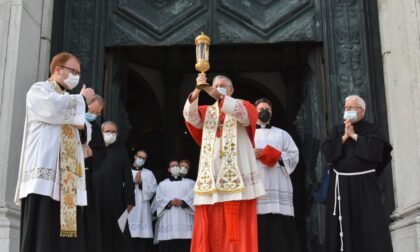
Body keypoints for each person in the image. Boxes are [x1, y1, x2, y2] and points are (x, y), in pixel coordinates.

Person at [15, 52, 95, 252]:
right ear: (58, 70)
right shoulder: (39, 90)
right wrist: (82, 100)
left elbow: (85, 127)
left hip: (66, 180)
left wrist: (84, 126)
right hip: (43, 176)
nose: (77, 76)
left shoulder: (70, 99)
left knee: (65, 240)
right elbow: (53, 109)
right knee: (42, 235)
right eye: (73, 71)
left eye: (79, 72)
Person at [183, 73, 265, 252]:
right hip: (211, 178)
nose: (218, 87)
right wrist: (197, 90)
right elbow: (190, 117)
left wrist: (219, 96)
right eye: (215, 85)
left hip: (237, 180)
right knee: (209, 229)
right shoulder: (206, 111)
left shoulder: (243, 106)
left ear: (231, 90)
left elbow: (245, 116)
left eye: (222, 85)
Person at [321, 95, 393, 252]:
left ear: (361, 111)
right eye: (345, 107)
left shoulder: (372, 130)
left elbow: (377, 154)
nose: (347, 110)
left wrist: (354, 136)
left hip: (364, 186)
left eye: (351, 108)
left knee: (370, 226)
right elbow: (327, 151)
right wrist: (345, 137)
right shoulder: (337, 131)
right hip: (341, 188)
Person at [253, 98, 301, 252]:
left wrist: (274, 155)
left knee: (279, 224)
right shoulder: (247, 133)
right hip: (257, 183)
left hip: (278, 181)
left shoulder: (282, 134)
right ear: (255, 111)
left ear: (272, 112)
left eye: (267, 108)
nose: (264, 111)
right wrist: (250, 154)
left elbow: (294, 154)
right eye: (261, 108)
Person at [96, 121, 135, 252]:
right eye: (107, 131)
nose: (110, 134)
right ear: (101, 132)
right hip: (95, 197)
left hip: (116, 198)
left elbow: (128, 178)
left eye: (113, 132)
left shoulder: (121, 151)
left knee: (117, 232)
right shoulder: (93, 149)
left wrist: (130, 200)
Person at [151, 159, 195, 252]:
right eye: (172, 166)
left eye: (177, 166)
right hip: (167, 221)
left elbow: (193, 197)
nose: (175, 167)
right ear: (169, 169)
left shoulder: (190, 183)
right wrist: (169, 202)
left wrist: (183, 202)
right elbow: (158, 200)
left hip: (184, 221)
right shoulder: (163, 184)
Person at [84, 95, 106, 251]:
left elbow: (101, 153)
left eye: (98, 114)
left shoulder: (96, 127)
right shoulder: (74, 118)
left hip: (86, 175)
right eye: (94, 112)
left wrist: (92, 153)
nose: (95, 116)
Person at [127, 149, 157, 251]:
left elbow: (153, 190)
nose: (141, 160)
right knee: (128, 236)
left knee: (141, 241)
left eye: (144, 158)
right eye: (140, 157)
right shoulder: (125, 171)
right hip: (128, 207)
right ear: (135, 156)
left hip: (142, 208)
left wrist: (141, 184)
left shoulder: (148, 173)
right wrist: (133, 182)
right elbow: (118, 187)